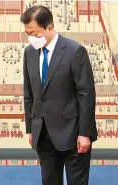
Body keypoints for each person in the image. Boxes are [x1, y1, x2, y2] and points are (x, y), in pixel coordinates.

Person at [21, 6, 97, 185]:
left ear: (49, 28)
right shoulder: (29, 53)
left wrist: (84, 133)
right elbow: (29, 93)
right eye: (27, 34)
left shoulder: (75, 51)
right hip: (44, 135)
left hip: (74, 133)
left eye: (34, 33)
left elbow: (86, 94)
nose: (31, 38)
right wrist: (32, 128)